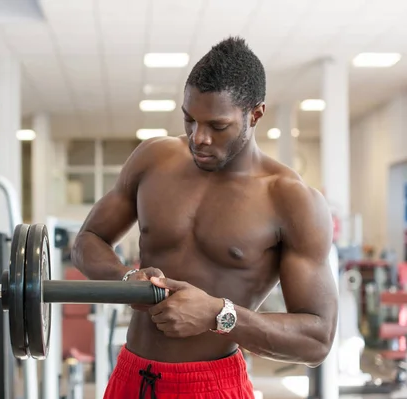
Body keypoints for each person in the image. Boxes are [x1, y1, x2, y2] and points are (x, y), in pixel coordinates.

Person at [71, 36, 339, 399]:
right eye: (189, 120)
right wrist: (125, 278)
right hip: (132, 376)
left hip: (212, 384)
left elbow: (317, 339)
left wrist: (219, 314)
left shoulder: (290, 199)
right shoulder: (153, 159)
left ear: (255, 114)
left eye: (217, 125)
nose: (199, 138)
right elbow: (87, 240)